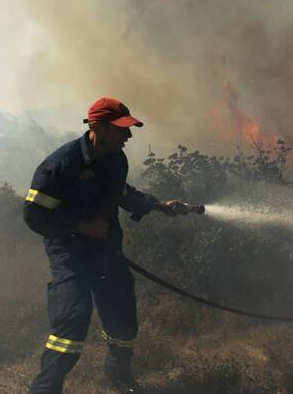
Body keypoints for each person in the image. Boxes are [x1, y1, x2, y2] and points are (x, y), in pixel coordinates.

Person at [24, 96, 189, 393]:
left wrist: (157, 205)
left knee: (123, 320)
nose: (128, 135)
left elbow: (122, 194)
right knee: (71, 324)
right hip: (69, 253)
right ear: (97, 127)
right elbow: (34, 216)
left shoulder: (116, 160)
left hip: (105, 249)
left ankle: (119, 377)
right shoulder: (60, 165)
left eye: (129, 128)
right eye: (121, 129)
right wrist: (80, 225)